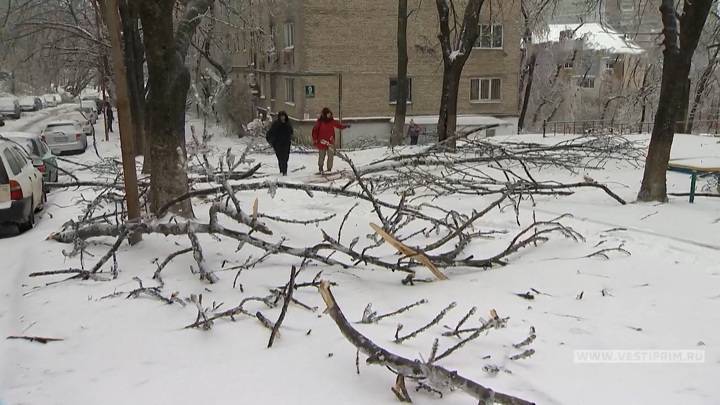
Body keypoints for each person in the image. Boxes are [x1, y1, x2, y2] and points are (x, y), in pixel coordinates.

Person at [312, 107, 349, 174]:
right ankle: (320, 168)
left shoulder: (332, 121)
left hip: (330, 141)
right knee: (321, 156)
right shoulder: (320, 122)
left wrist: (345, 126)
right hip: (321, 142)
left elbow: (339, 126)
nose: (330, 115)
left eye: (330, 114)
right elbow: (315, 131)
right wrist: (315, 139)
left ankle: (329, 169)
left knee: (330, 156)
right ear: (325, 114)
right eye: (328, 114)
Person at [266, 111, 293, 175]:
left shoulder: (288, 124)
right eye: (281, 116)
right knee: (280, 158)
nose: (282, 118)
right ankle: (282, 171)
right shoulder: (276, 124)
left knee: (285, 158)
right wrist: (271, 141)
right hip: (278, 144)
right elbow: (270, 133)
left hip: (286, 144)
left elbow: (291, 132)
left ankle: (284, 171)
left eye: (283, 116)